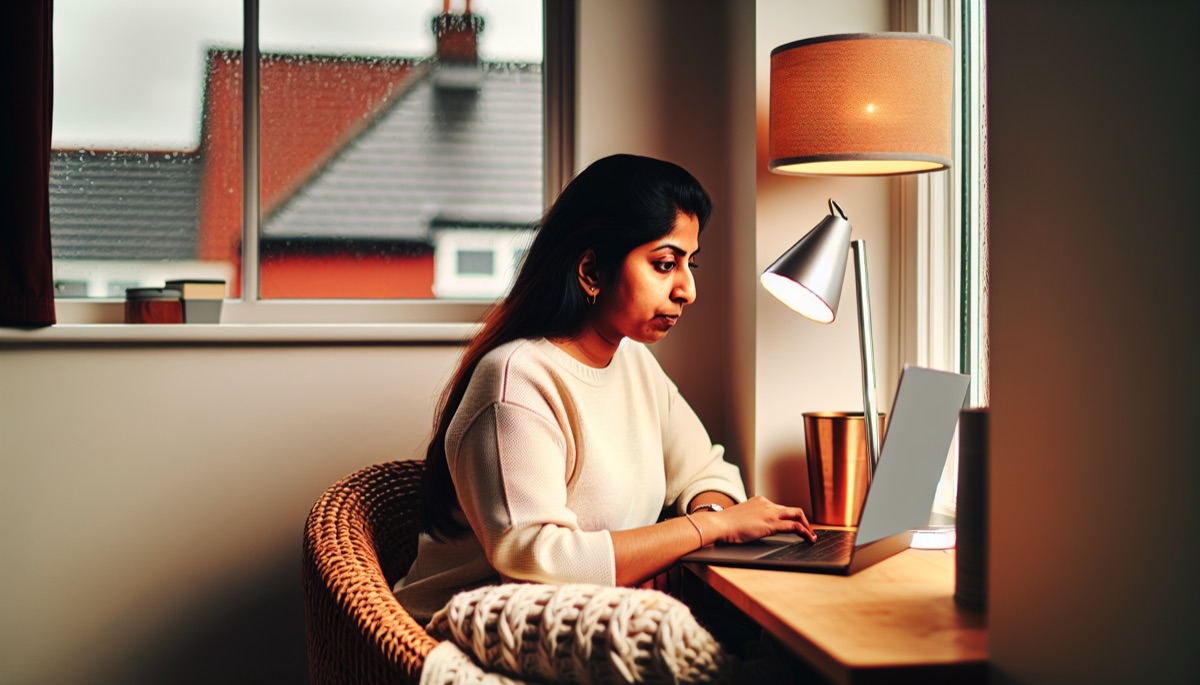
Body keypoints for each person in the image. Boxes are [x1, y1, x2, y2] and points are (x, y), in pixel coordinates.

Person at [394, 153, 815, 623]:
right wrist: (709, 528)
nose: (687, 290)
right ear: (592, 271)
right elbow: (536, 563)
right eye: (664, 264)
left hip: (589, 626)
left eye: (690, 263)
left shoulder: (633, 362)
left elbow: (707, 472)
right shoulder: (517, 380)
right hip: (464, 637)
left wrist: (712, 516)